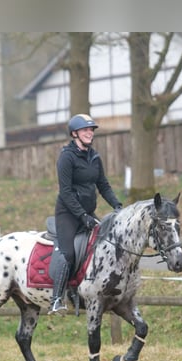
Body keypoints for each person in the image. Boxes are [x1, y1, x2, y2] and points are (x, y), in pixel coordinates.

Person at [48, 113, 122, 315]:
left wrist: (118, 206)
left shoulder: (94, 157)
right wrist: (82, 216)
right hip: (68, 215)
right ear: (74, 134)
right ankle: (56, 299)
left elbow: (103, 185)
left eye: (92, 130)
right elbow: (66, 192)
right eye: (85, 130)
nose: (90, 132)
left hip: (88, 213)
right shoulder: (66, 157)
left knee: (105, 246)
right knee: (69, 253)